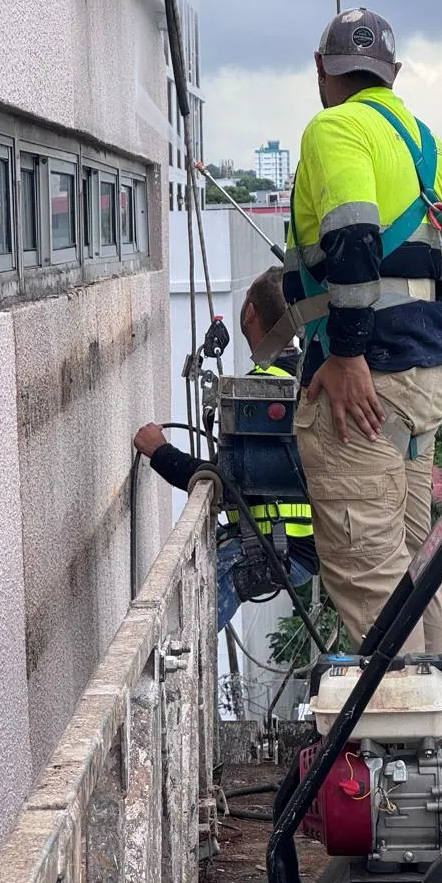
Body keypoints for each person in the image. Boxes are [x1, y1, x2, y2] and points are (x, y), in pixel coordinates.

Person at [269, 7, 442, 654]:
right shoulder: (432, 149)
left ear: (321, 68)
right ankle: (437, 698)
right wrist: (419, 352)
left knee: (369, 579)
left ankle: (401, 712)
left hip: (363, 385)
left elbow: (354, 235)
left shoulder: (333, 128)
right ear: (394, 72)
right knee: (414, 569)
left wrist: (349, 355)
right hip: (425, 380)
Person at [133, 269, 317, 630]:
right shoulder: (307, 375)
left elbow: (222, 483)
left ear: (250, 313)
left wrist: (160, 452)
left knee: (179, 626)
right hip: (297, 548)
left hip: (274, 548)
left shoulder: (259, 391)